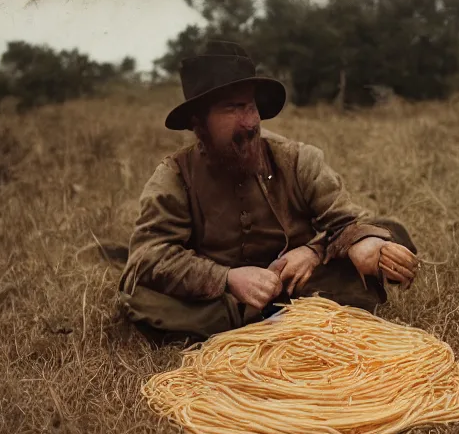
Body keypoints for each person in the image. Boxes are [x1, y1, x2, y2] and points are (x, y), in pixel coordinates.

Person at [118, 41, 420, 343]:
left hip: (298, 284)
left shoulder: (298, 159)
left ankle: (270, 322)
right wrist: (227, 279)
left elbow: (346, 222)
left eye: (250, 106)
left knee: (384, 236)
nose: (250, 122)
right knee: (140, 298)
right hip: (222, 300)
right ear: (199, 122)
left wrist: (318, 252)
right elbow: (148, 255)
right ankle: (284, 320)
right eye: (232, 108)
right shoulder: (175, 175)